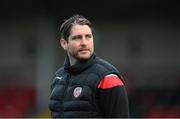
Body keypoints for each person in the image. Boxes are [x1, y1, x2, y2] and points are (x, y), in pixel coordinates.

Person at [49, 14, 129, 118]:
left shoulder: (108, 78)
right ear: (64, 43)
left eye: (88, 37)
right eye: (77, 38)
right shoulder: (58, 78)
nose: (84, 43)